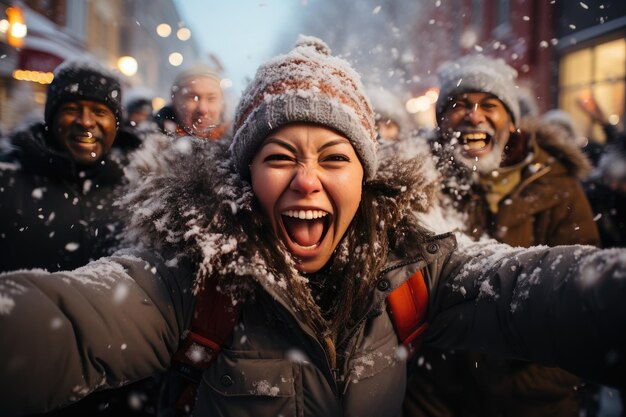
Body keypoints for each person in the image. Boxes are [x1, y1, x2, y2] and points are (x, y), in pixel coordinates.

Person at [0, 36, 625, 417]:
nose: (307, 181)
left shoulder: (417, 267)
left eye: (334, 158)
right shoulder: (189, 277)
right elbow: (68, 322)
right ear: (245, 177)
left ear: (367, 178)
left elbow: (535, 289)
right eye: (278, 157)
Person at [404, 54, 602, 417]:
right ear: (441, 123)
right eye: (459, 105)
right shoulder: (417, 183)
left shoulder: (557, 184)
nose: (473, 115)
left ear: (511, 123)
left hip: (533, 398)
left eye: (489, 105)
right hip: (436, 392)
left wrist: (546, 380)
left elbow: (580, 290)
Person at [154, 63, 227, 141]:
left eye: (211, 98)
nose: (203, 109)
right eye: (193, 97)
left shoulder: (234, 146)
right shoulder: (148, 144)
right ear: (174, 100)